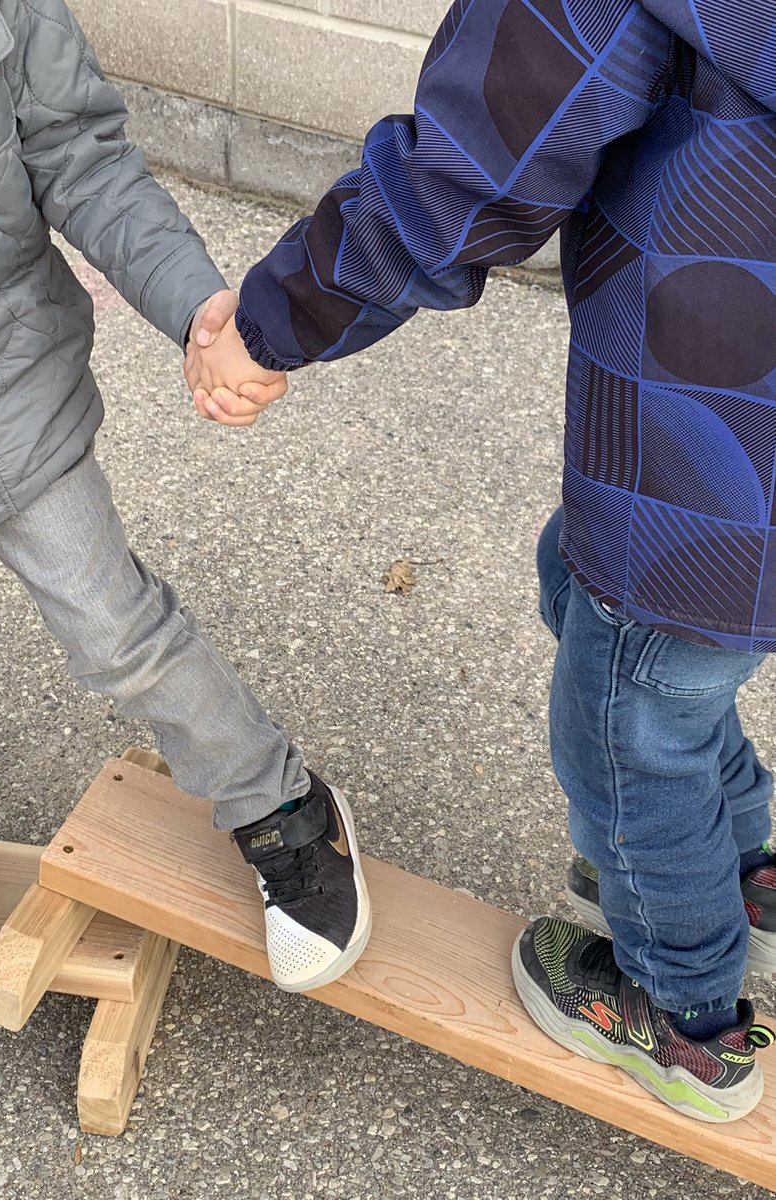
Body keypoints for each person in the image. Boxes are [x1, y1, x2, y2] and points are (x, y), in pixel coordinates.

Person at [185, 0, 776, 1121]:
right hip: (735, 485)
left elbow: (468, 177)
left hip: (705, 468)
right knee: (628, 621)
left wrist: (273, 324)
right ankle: (746, 865)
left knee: (625, 724)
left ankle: (686, 1013)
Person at [0, 0, 372, 997]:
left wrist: (197, 307)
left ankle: (281, 806)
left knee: (119, 631)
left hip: (3, 389)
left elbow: (82, 159)